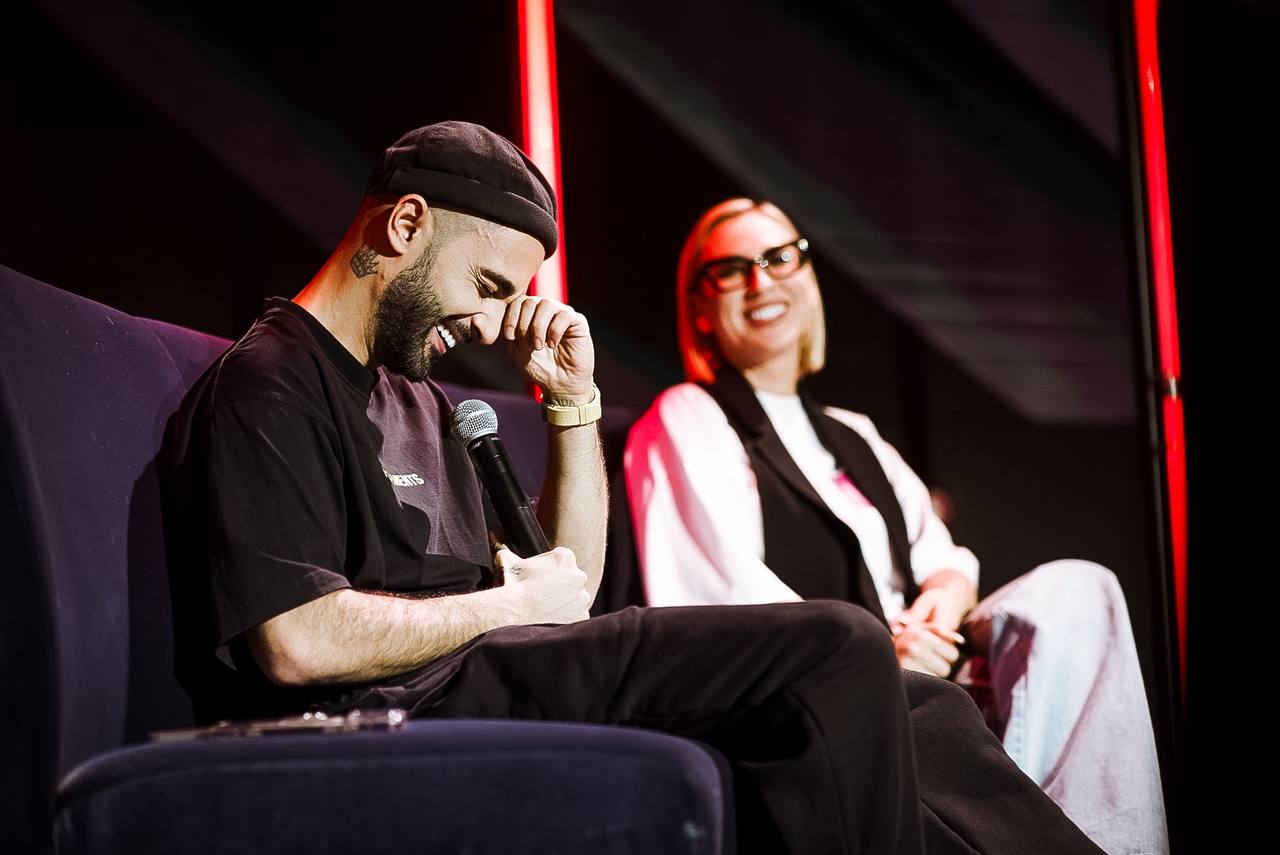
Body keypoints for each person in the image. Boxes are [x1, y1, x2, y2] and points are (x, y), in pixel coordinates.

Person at [164, 123, 1105, 854]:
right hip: (420, 706)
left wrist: (572, 405)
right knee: (841, 644)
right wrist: (505, 606)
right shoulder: (273, 380)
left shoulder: (415, 392)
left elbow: (565, 584)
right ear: (405, 225)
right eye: (488, 283)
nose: (492, 324)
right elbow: (294, 638)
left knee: (917, 702)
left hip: (504, 665)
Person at [624, 198, 1169, 855]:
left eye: (778, 258)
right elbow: (720, 600)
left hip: (929, 681)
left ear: (807, 277)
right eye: (731, 270)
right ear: (701, 307)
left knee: (1079, 587)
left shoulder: (853, 432)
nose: (761, 281)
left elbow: (944, 557)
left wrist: (942, 601)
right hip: (830, 702)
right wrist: (876, 652)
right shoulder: (689, 416)